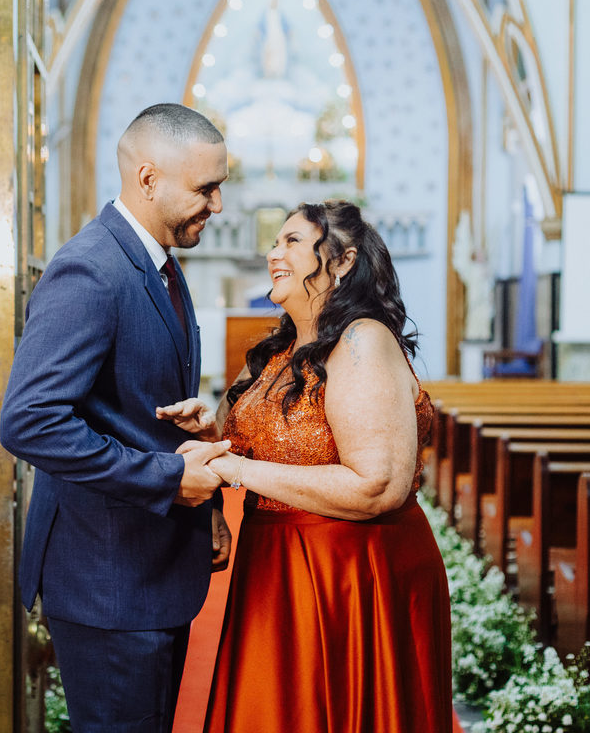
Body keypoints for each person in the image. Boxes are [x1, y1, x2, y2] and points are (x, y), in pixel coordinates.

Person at [158, 200, 452, 732]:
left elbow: (376, 486)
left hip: (352, 573)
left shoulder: (362, 340)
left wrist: (234, 472)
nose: (274, 253)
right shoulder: (282, 350)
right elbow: (256, 442)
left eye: (292, 241)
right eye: (275, 241)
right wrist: (209, 431)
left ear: (341, 261)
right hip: (278, 566)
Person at [0, 103, 233, 732]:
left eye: (220, 188)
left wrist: (203, 504)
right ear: (149, 179)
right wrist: (166, 481)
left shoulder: (157, 263)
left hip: (148, 567)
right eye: (205, 190)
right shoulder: (91, 269)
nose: (217, 207)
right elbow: (28, 420)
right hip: (108, 581)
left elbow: (139, 412)